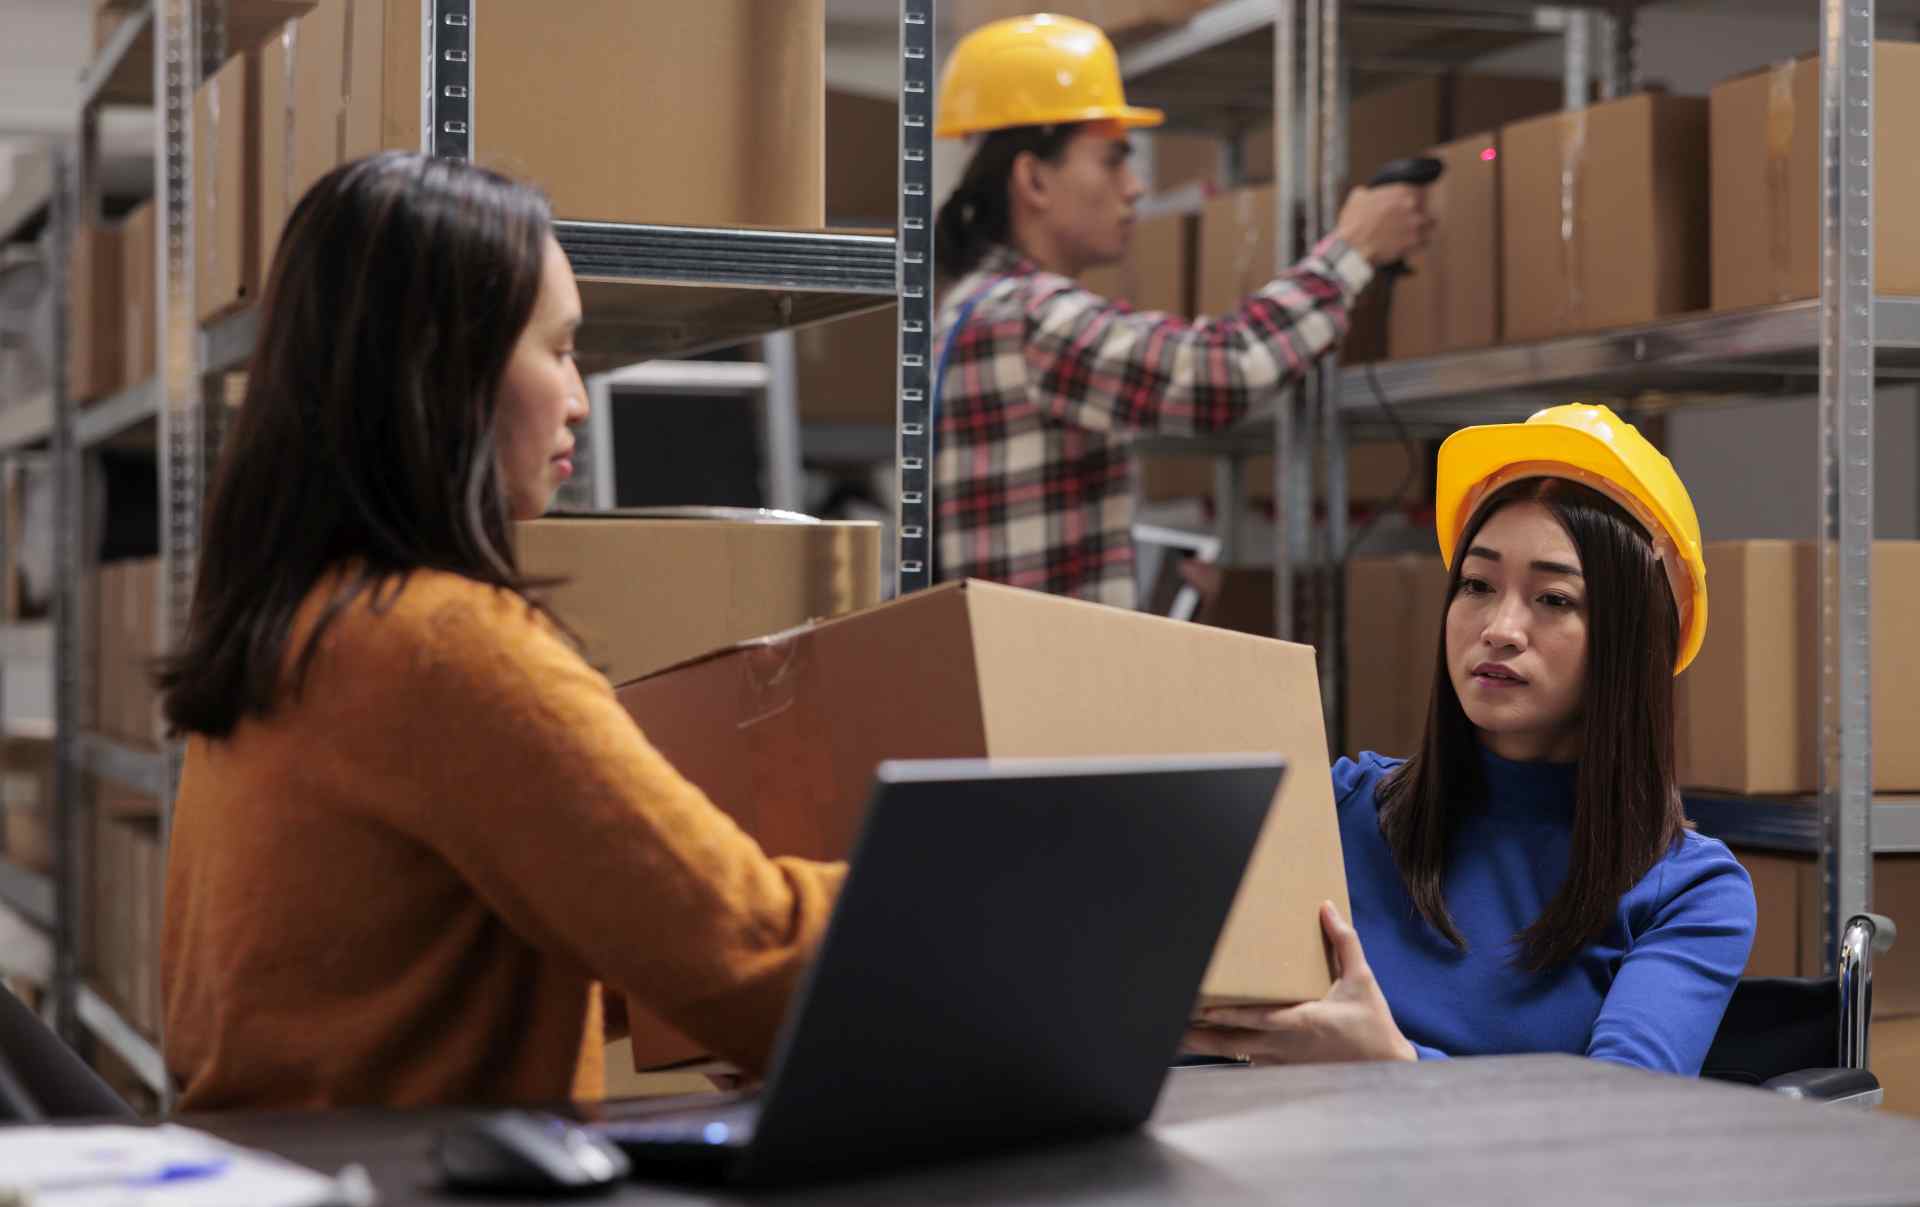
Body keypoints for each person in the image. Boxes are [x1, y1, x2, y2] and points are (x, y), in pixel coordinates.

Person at [158, 152, 846, 1110]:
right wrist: (968, 905)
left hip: (303, 1203)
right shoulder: (441, 647)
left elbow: (422, 964)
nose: (578, 398)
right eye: (560, 349)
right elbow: (744, 948)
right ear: (447, 366)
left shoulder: (301, 622)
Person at [1186, 404, 1757, 1075]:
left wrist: (1394, 1063)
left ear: (1631, 642)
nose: (1500, 627)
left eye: (1553, 599)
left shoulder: (1689, 892)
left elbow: (1618, 1131)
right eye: (1478, 585)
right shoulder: (1338, 808)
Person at [930, 13, 1434, 605]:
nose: (1135, 186)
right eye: (1113, 160)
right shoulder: (1028, 316)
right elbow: (1224, 370)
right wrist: (1353, 249)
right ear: (1033, 179)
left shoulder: (973, 307)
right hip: (1036, 686)